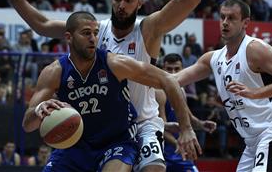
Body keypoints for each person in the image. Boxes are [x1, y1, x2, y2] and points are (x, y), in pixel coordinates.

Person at [0, 0, 201, 171]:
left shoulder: (148, 29)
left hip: (141, 121)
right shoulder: (93, 31)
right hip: (97, 123)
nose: (122, 5)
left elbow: (191, 0)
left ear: (139, 3)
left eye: (129, 0)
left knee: (153, 168)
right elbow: (43, 25)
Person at [22, 12, 199, 172]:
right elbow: (27, 124)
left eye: (95, 33)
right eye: (86, 33)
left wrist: (186, 128)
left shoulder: (113, 63)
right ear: (68, 37)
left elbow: (168, 80)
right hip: (74, 146)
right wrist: (39, 110)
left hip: (116, 143)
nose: (93, 38)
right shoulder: (54, 72)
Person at [176, 0, 272, 172]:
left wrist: (255, 93)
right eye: (222, 17)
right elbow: (172, 80)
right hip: (252, 141)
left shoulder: (255, 49)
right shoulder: (213, 59)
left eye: (232, 18)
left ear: (245, 23)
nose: (225, 23)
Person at [155, 53, 216, 172]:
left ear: (182, 69)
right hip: (164, 152)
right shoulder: (159, 92)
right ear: (163, 69)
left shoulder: (181, 90)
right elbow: (160, 127)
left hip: (181, 149)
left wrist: (201, 124)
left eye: (176, 69)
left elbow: (188, 117)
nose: (173, 73)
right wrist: (178, 143)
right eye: (169, 69)